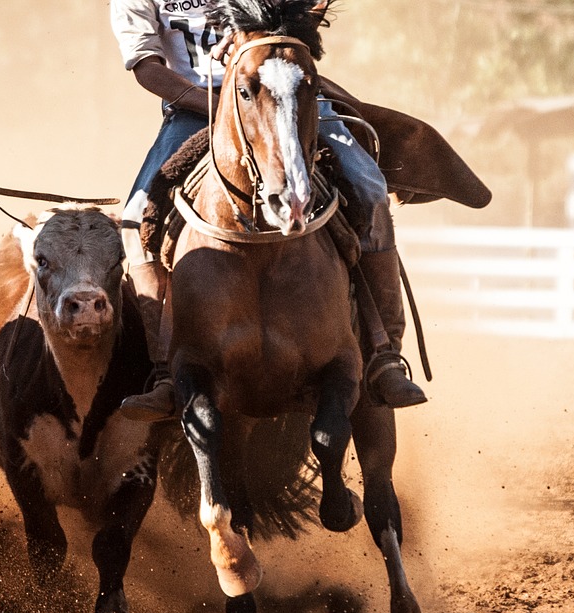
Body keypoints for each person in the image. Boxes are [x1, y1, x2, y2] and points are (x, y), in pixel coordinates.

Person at [110, 0, 426, 421]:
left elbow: (295, 19)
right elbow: (147, 68)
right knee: (136, 217)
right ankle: (165, 371)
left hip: (283, 97)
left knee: (369, 188)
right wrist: (216, 104)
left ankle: (384, 351)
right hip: (196, 110)